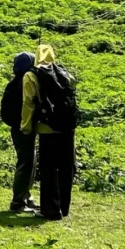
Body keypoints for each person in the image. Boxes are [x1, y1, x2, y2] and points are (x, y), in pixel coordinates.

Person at [20, 43, 78, 221]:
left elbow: (28, 104)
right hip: (68, 128)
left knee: (49, 169)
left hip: (47, 128)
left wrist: (26, 126)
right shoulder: (64, 73)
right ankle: (64, 207)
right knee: (65, 167)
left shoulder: (30, 76)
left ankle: (50, 210)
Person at [0, 51, 38, 213]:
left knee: (30, 162)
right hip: (24, 128)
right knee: (26, 162)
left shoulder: (13, 84)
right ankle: (18, 201)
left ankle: (26, 196)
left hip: (18, 128)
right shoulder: (25, 84)